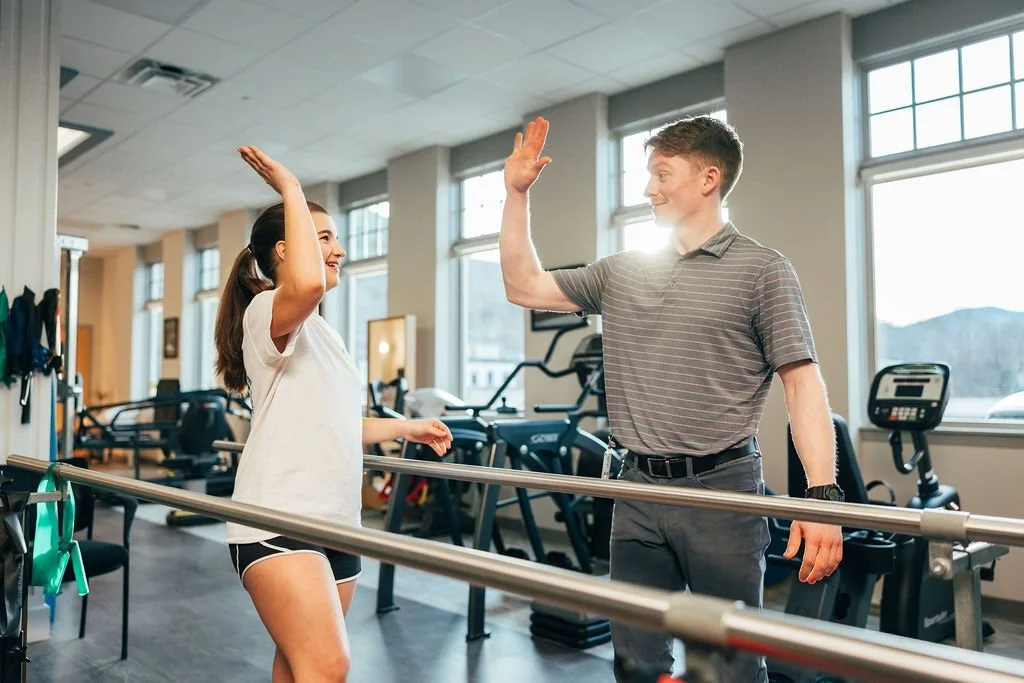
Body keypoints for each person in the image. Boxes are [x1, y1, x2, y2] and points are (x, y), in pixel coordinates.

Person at [497, 116, 844, 682]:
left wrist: (821, 498)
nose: (648, 188)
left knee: (730, 664)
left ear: (709, 178)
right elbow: (523, 286)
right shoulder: (622, 271)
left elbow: (802, 382)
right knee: (637, 663)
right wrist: (515, 194)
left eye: (662, 174)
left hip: (723, 493)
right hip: (636, 490)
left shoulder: (763, 271)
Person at [214, 145, 453, 683]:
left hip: (336, 522)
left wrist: (407, 427)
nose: (340, 250)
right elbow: (307, 284)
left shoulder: (327, 334)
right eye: (325, 238)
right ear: (285, 250)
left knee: (298, 664)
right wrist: (291, 188)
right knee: (328, 665)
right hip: (277, 519)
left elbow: (337, 422)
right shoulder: (267, 311)